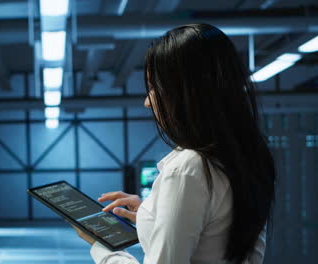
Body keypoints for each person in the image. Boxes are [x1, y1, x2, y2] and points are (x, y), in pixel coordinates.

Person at [71, 23, 276, 264]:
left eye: (153, 88)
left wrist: (103, 249)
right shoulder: (248, 157)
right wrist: (152, 213)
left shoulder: (187, 169)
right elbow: (216, 233)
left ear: (185, 92)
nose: (148, 102)